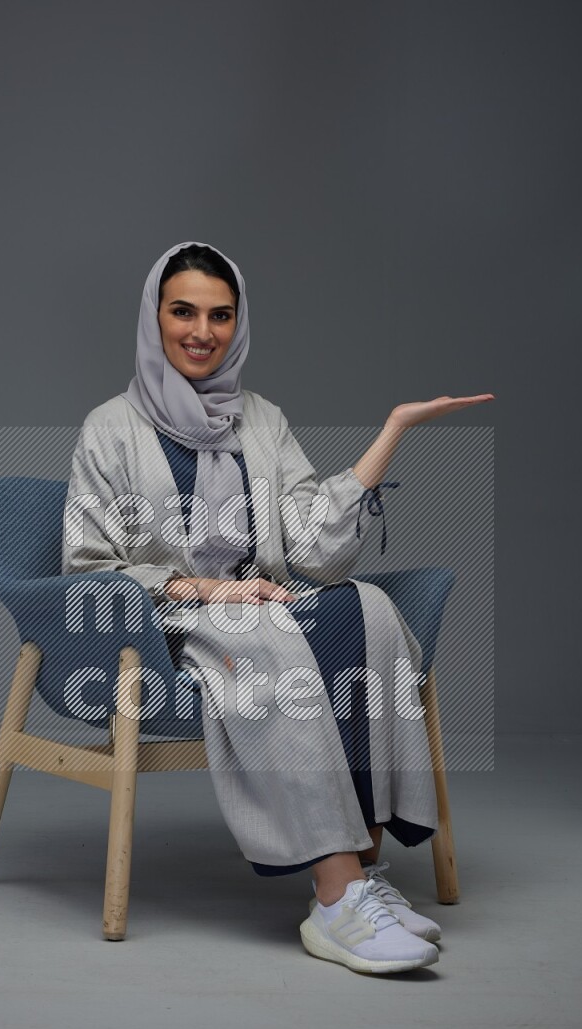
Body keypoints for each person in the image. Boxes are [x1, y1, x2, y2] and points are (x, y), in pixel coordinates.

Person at [62, 240, 494, 976]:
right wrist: (209, 589)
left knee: (367, 610)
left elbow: (313, 546)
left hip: (265, 599)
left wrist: (390, 431)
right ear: (153, 317)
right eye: (183, 312)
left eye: (220, 315)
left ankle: (363, 870)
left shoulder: (260, 419)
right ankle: (333, 901)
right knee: (262, 633)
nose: (202, 331)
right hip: (168, 622)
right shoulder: (109, 428)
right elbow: (88, 566)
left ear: (239, 322)